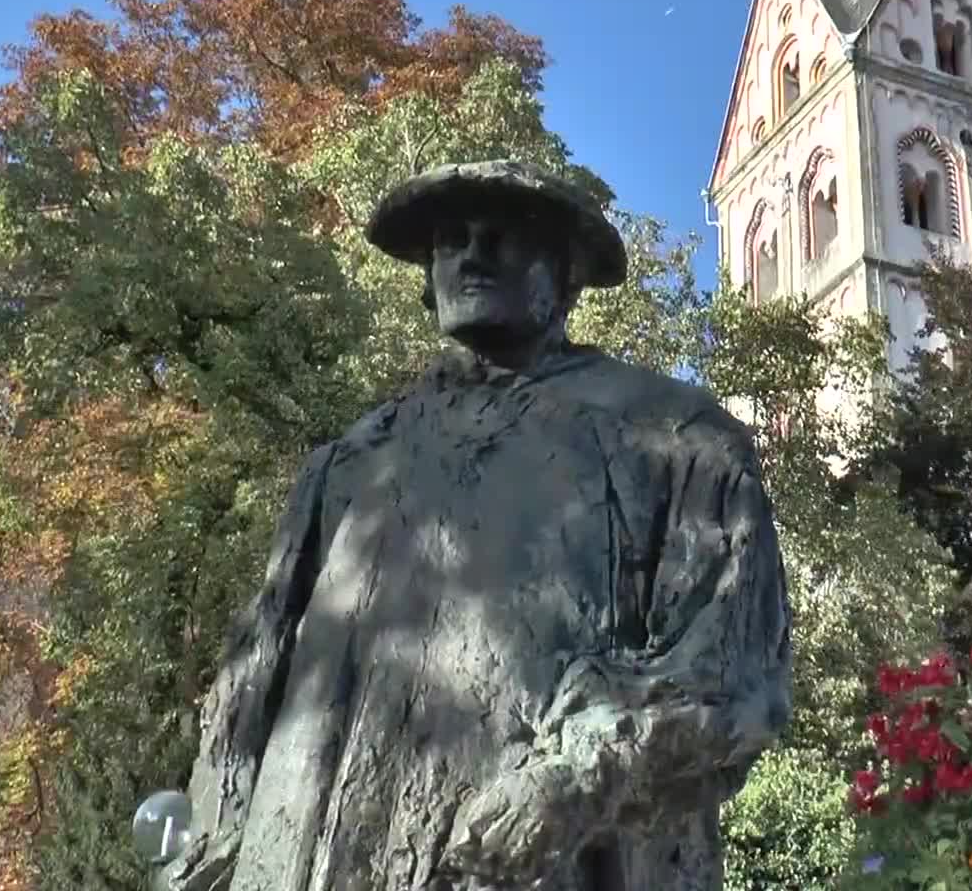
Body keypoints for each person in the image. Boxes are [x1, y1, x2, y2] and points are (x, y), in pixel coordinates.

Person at [165, 160, 792, 891]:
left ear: (563, 274)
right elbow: (253, 675)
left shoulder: (674, 439)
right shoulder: (351, 463)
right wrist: (215, 834)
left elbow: (736, 670)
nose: (473, 254)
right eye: (452, 239)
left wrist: (575, 780)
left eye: (505, 236)